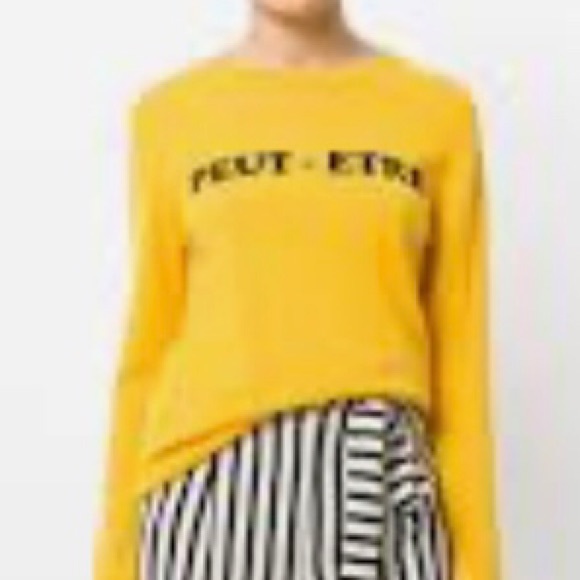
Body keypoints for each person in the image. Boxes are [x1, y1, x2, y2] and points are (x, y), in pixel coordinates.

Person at [92, 0, 502, 579]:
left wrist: (479, 565)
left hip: (376, 480)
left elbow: (461, 360)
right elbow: (148, 350)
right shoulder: (169, 116)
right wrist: (114, 563)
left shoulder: (438, 113)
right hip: (206, 498)